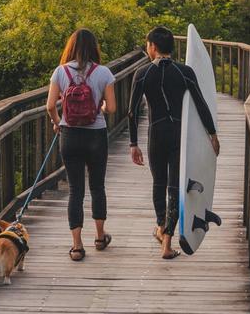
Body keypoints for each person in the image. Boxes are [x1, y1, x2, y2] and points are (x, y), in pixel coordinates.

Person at [128, 26, 219, 260]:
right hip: (179, 135)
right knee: (175, 187)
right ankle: (166, 242)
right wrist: (212, 134)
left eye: (148, 44)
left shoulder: (143, 74)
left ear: (153, 47)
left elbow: (132, 112)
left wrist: (133, 143)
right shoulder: (185, 72)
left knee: (159, 183)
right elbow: (201, 104)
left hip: (156, 133)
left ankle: (160, 226)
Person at [45, 28, 117, 261]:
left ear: (71, 47)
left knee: (76, 190)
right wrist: (101, 108)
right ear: (94, 47)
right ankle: (99, 236)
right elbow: (112, 108)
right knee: (97, 187)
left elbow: (49, 106)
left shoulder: (60, 72)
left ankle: (77, 246)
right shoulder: (103, 72)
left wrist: (58, 123)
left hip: (70, 135)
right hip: (96, 134)